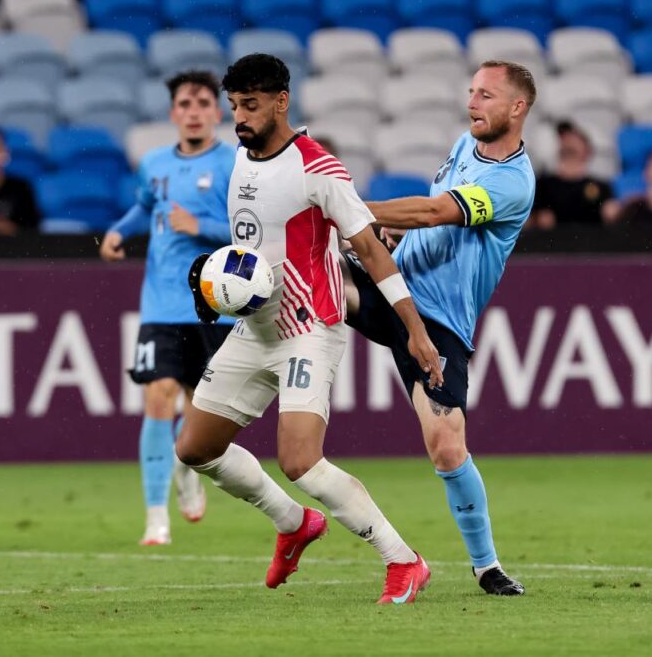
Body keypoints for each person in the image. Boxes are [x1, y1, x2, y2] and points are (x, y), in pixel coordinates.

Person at [176, 54, 444, 604]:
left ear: (281, 101)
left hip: (308, 330)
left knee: (299, 460)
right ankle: (293, 523)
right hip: (254, 330)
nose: (239, 117)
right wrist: (219, 280)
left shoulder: (319, 169)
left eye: (249, 106)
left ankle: (404, 560)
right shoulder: (241, 160)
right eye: (234, 107)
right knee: (195, 448)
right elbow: (254, 249)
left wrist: (413, 330)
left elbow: (370, 249)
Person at [343, 60, 536, 597]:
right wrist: (385, 234)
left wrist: (349, 209)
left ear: (517, 108)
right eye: (472, 91)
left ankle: (487, 566)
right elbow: (418, 222)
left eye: (487, 95)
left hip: (441, 322)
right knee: (314, 281)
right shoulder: (462, 144)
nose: (473, 102)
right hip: (394, 289)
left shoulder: (512, 183)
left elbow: (432, 212)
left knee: (447, 448)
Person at [100, 71, 236, 546]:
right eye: (185, 103)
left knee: (201, 417)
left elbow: (248, 230)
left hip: (215, 309)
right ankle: (156, 517)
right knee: (157, 396)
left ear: (217, 113)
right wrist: (120, 230)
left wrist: (198, 224)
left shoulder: (234, 164)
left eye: (202, 102)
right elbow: (144, 207)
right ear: (173, 113)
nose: (194, 111)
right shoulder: (155, 163)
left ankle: (186, 466)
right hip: (159, 306)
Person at [530, 121, 613, 228]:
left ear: (587, 151)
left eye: (574, 139)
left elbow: (612, 217)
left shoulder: (601, 188)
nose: (568, 142)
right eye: (564, 139)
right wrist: (536, 219)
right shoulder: (542, 185)